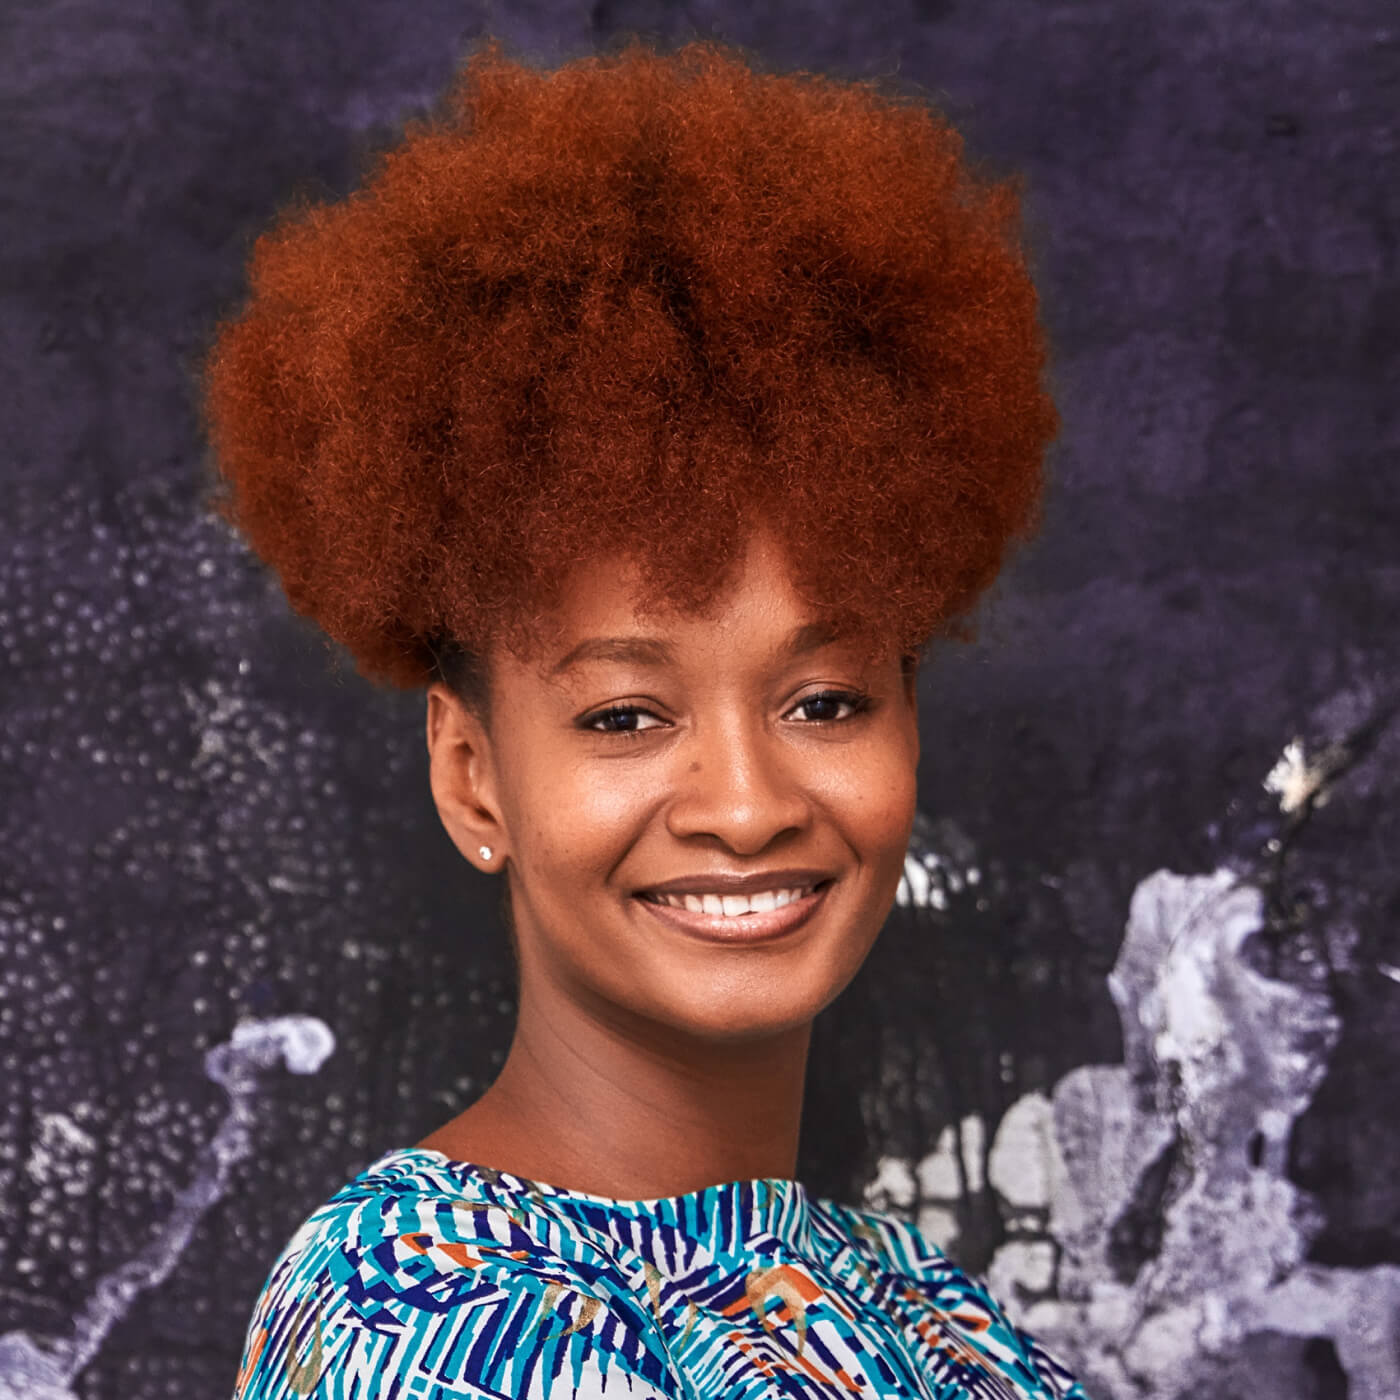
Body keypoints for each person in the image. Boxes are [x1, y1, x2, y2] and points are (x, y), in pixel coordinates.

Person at [200, 30, 1080, 1400]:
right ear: (473, 775)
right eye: (623, 717)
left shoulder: (925, 1305)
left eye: (826, 700)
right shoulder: (419, 1311)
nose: (746, 801)